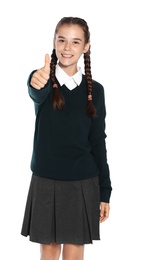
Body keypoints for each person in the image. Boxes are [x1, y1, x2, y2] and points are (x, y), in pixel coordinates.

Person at [21, 16, 112, 260]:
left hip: (83, 181)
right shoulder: (44, 83)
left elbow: (97, 141)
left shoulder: (96, 90)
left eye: (75, 42)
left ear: (86, 47)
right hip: (46, 179)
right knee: (48, 253)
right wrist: (34, 81)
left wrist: (105, 191)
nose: (67, 48)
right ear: (54, 42)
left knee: (74, 255)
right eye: (62, 40)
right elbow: (35, 90)